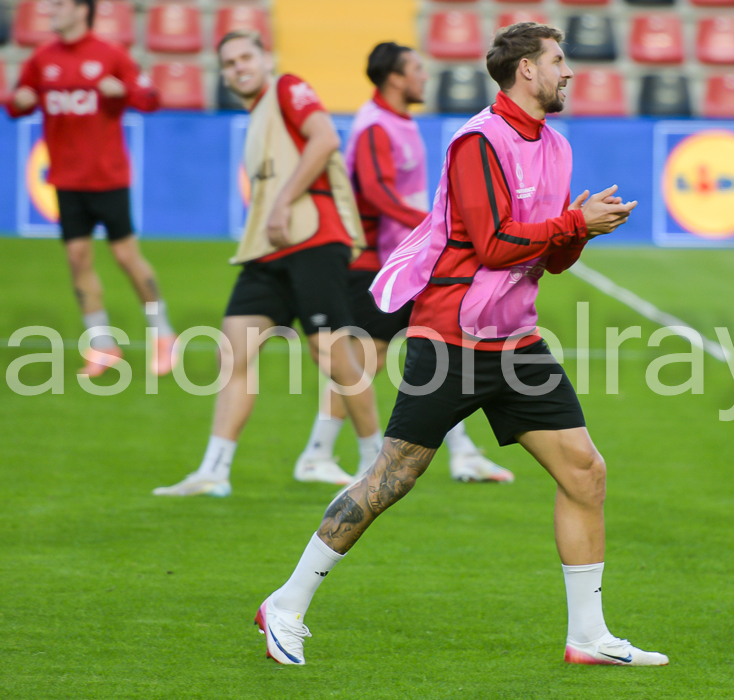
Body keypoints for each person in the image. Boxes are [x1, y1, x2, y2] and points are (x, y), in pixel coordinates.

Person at [253, 23, 668, 667]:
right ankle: (285, 603)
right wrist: (571, 223)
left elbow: (546, 259)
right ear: (525, 69)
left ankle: (588, 637)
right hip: (451, 338)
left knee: (586, 471)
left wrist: (580, 233)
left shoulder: (555, 147)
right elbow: (495, 242)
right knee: (394, 476)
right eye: (559, 61)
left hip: (515, 339)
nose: (568, 72)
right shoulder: (476, 141)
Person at [153, 30, 382, 497]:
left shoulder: (287, 88)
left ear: (266, 59)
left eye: (245, 57)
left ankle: (378, 462)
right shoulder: (259, 112)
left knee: (332, 354)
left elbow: (324, 140)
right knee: (232, 354)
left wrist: (283, 201)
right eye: (229, 62)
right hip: (267, 250)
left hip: (314, 238)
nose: (238, 67)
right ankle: (214, 470)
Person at [294, 42, 514, 485]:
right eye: (416, 69)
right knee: (395, 354)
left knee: (425, 349)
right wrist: (436, 225)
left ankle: (458, 452)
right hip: (389, 264)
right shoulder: (376, 125)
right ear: (395, 78)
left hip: (405, 260)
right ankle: (321, 454)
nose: (424, 76)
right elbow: (376, 192)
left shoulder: (394, 121)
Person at [7, 0, 176, 378]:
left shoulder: (111, 55)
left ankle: (165, 335)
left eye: (60, 4)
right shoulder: (41, 59)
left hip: (107, 177)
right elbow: (16, 103)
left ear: (82, 10)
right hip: (66, 180)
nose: (51, 9)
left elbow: (151, 99)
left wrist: (122, 91)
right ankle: (102, 345)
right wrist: (19, 102)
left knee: (126, 257)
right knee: (78, 259)